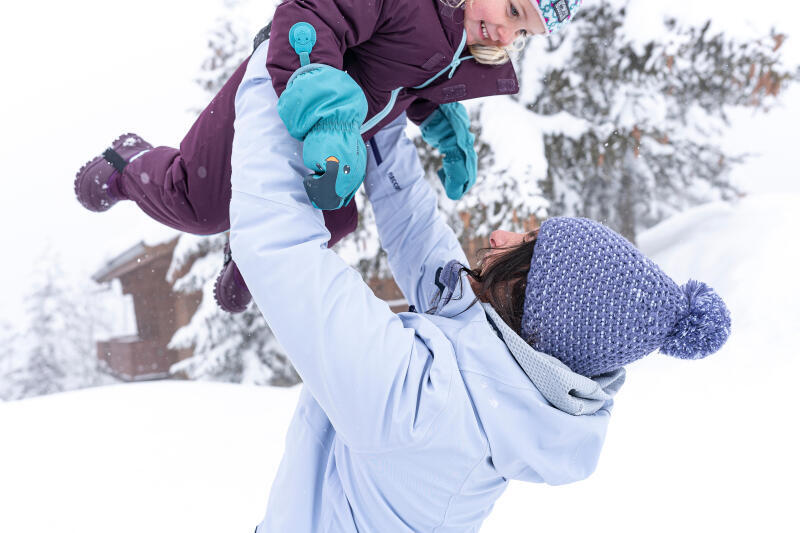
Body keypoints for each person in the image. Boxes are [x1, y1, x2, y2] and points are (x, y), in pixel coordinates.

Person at [229, 41, 731, 532]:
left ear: (527, 297)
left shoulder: (424, 409)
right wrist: (380, 113)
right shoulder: (497, 374)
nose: (499, 235)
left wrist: (271, 72)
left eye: (524, 244)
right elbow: (417, 234)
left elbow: (277, 245)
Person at [73, 0, 584, 313]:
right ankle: (126, 164)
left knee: (336, 218)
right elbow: (311, 17)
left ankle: (247, 252)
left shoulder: (462, 35)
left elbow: (406, 81)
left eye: (523, 33)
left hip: (336, 135)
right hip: (281, 87)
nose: (506, 35)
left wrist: (442, 125)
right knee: (196, 203)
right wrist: (328, 115)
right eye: (513, 12)